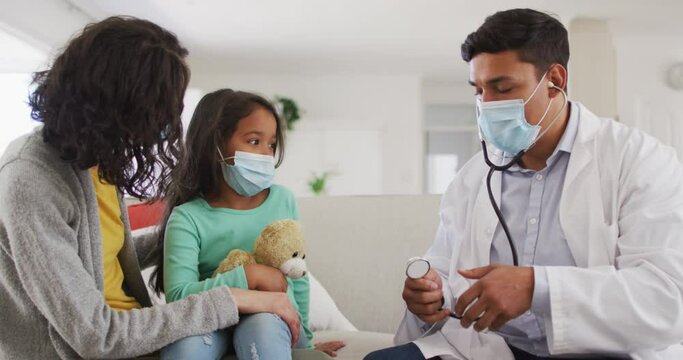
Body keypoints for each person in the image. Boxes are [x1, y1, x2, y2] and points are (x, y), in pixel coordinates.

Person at [366, 8, 683, 360]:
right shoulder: (471, 179)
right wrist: (430, 294)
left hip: (602, 350)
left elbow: (666, 297)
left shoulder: (639, 159)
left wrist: (537, 286)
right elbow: (444, 268)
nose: (486, 105)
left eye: (502, 88)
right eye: (479, 90)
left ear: (555, 80)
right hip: (491, 348)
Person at [0, 16, 301, 359]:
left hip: (137, 341)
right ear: (116, 106)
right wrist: (233, 296)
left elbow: (102, 255)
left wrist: (199, 234)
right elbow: (96, 336)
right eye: (156, 111)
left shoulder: (92, 158)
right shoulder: (31, 179)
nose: (163, 126)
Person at [154, 89, 345, 359]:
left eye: (271, 145)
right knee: (186, 346)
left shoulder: (283, 200)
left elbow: (298, 277)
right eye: (254, 141)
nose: (266, 154)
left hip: (269, 316)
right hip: (210, 318)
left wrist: (305, 343)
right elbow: (179, 296)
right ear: (215, 144)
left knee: (265, 331)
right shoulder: (188, 217)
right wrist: (249, 275)